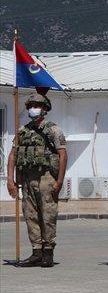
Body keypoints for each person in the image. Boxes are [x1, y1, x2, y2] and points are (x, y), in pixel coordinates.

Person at [7, 93, 67, 268]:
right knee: (30, 215)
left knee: (48, 215)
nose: (33, 109)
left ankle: (48, 252)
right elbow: (13, 155)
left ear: (45, 109)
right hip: (27, 178)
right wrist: (10, 180)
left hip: (46, 177)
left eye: (37, 106)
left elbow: (63, 155)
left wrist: (59, 181)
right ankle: (36, 252)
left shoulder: (53, 130)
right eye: (31, 106)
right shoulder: (22, 131)